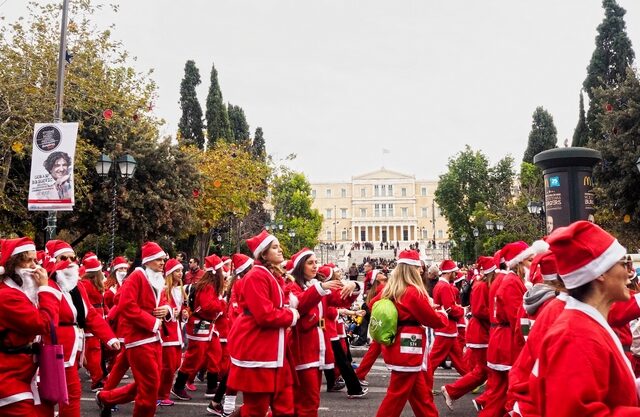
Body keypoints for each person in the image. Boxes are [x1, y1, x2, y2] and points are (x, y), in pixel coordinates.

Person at [531, 221, 640, 416]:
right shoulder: (575, 336)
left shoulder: (584, 325)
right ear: (600, 274)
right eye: (624, 263)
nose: (629, 272)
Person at [37, 240, 119, 417]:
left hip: (73, 349)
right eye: (63, 258)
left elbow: (90, 315)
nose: (69, 262)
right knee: (52, 397)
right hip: (54, 349)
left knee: (70, 394)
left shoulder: (77, 286)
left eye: (73, 258)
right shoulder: (47, 287)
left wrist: (109, 338)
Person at [227, 230, 300, 417]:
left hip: (274, 351)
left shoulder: (269, 275)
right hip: (258, 350)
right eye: (274, 247)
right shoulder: (256, 276)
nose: (280, 250)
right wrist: (291, 315)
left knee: (285, 407)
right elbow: (264, 315)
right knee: (256, 409)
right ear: (264, 254)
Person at [96, 242, 173, 417]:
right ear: (148, 261)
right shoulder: (136, 277)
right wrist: (152, 321)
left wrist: (166, 310)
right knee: (149, 385)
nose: (162, 263)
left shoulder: (156, 278)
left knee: (149, 383)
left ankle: (106, 398)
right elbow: (126, 305)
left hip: (154, 338)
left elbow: (162, 301)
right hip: (139, 339)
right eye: (158, 259)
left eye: (163, 260)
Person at [373, 250, 447, 417]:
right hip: (409, 346)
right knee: (396, 396)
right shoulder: (413, 291)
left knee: (421, 397)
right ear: (411, 269)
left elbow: (372, 304)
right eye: (418, 267)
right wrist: (442, 314)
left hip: (398, 343)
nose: (421, 270)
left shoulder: (390, 289)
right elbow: (433, 321)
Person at [480, 240, 547, 417]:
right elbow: (516, 318)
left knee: (498, 396)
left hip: (501, 339)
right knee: (506, 396)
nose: (533, 265)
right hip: (506, 342)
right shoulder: (511, 282)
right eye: (530, 261)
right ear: (518, 263)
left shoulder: (510, 280)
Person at [0, 237, 61, 417]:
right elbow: (45, 324)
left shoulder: (21, 293)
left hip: (25, 375)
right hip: (8, 377)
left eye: (36, 260)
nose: (35, 266)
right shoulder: (7, 296)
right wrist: (44, 288)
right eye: (29, 261)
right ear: (13, 265)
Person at [442, 256, 496, 410]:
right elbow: (479, 310)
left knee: (484, 371)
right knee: (485, 371)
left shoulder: (482, 285)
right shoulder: (481, 286)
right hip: (480, 334)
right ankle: (484, 400)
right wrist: (496, 314)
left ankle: (454, 392)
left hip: (481, 333)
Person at [171, 254, 225, 400]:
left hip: (208, 326)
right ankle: (179, 385)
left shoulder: (210, 285)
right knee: (194, 357)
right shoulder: (207, 286)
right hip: (200, 323)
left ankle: (212, 387)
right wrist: (222, 304)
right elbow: (207, 306)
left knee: (215, 354)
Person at [426, 260, 467, 383]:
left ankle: (471, 380)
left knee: (459, 359)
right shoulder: (445, 286)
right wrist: (463, 310)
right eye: (455, 272)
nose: (456, 275)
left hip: (446, 329)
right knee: (433, 360)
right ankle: (424, 382)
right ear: (449, 273)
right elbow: (450, 309)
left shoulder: (440, 285)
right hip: (446, 329)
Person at [78, 255, 110, 392]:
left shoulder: (92, 284)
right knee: (93, 352)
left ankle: (99, 377)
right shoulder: (85, 284)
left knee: (96, 351)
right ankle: (97, 379)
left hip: (97, 317)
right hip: (91, 319)